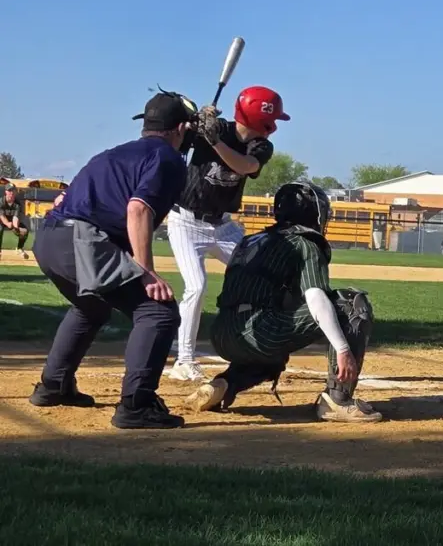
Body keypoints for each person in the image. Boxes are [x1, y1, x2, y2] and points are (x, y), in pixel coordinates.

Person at [28, 89, 195, 429]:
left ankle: (53, 385)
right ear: (180, 128)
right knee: (157, 312)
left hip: (47, 239)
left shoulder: (113, 154)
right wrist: (145, 271)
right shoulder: (167, 158)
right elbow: (138, 209)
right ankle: (137, 405)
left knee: (92, 306)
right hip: (81, 240)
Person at [184, 182, 382, 423]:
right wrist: (342, 349)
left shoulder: (250, 240)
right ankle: (338, 399)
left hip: (222, 333)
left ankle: (224, 384)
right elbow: (315, 296)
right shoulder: (305, 243)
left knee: (272, 358)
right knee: (350, 303)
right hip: (260, 331)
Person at [166, 86, 285, 382]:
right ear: (262, 118)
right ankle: (183, 360)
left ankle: (257, 343)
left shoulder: (260, 147)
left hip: (223, 227)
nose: (274, 128)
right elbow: (177, 135)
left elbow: (244, 166)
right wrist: (196, 119)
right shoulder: (216, 127)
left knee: (261, 274)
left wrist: (215, 141)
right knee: (196, 286)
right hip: (186, 222)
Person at [0, 184, 30, 259]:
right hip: (1, 221)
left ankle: (19, 248)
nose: (11, 193)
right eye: (9, 191)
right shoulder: (1, 201)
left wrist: (16, 228)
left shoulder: (17, 203)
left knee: (25, 231)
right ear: (6, 192)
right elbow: (1, 216)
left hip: (12, 222)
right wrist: (7, 223)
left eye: (13, 190)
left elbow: (16, 217)